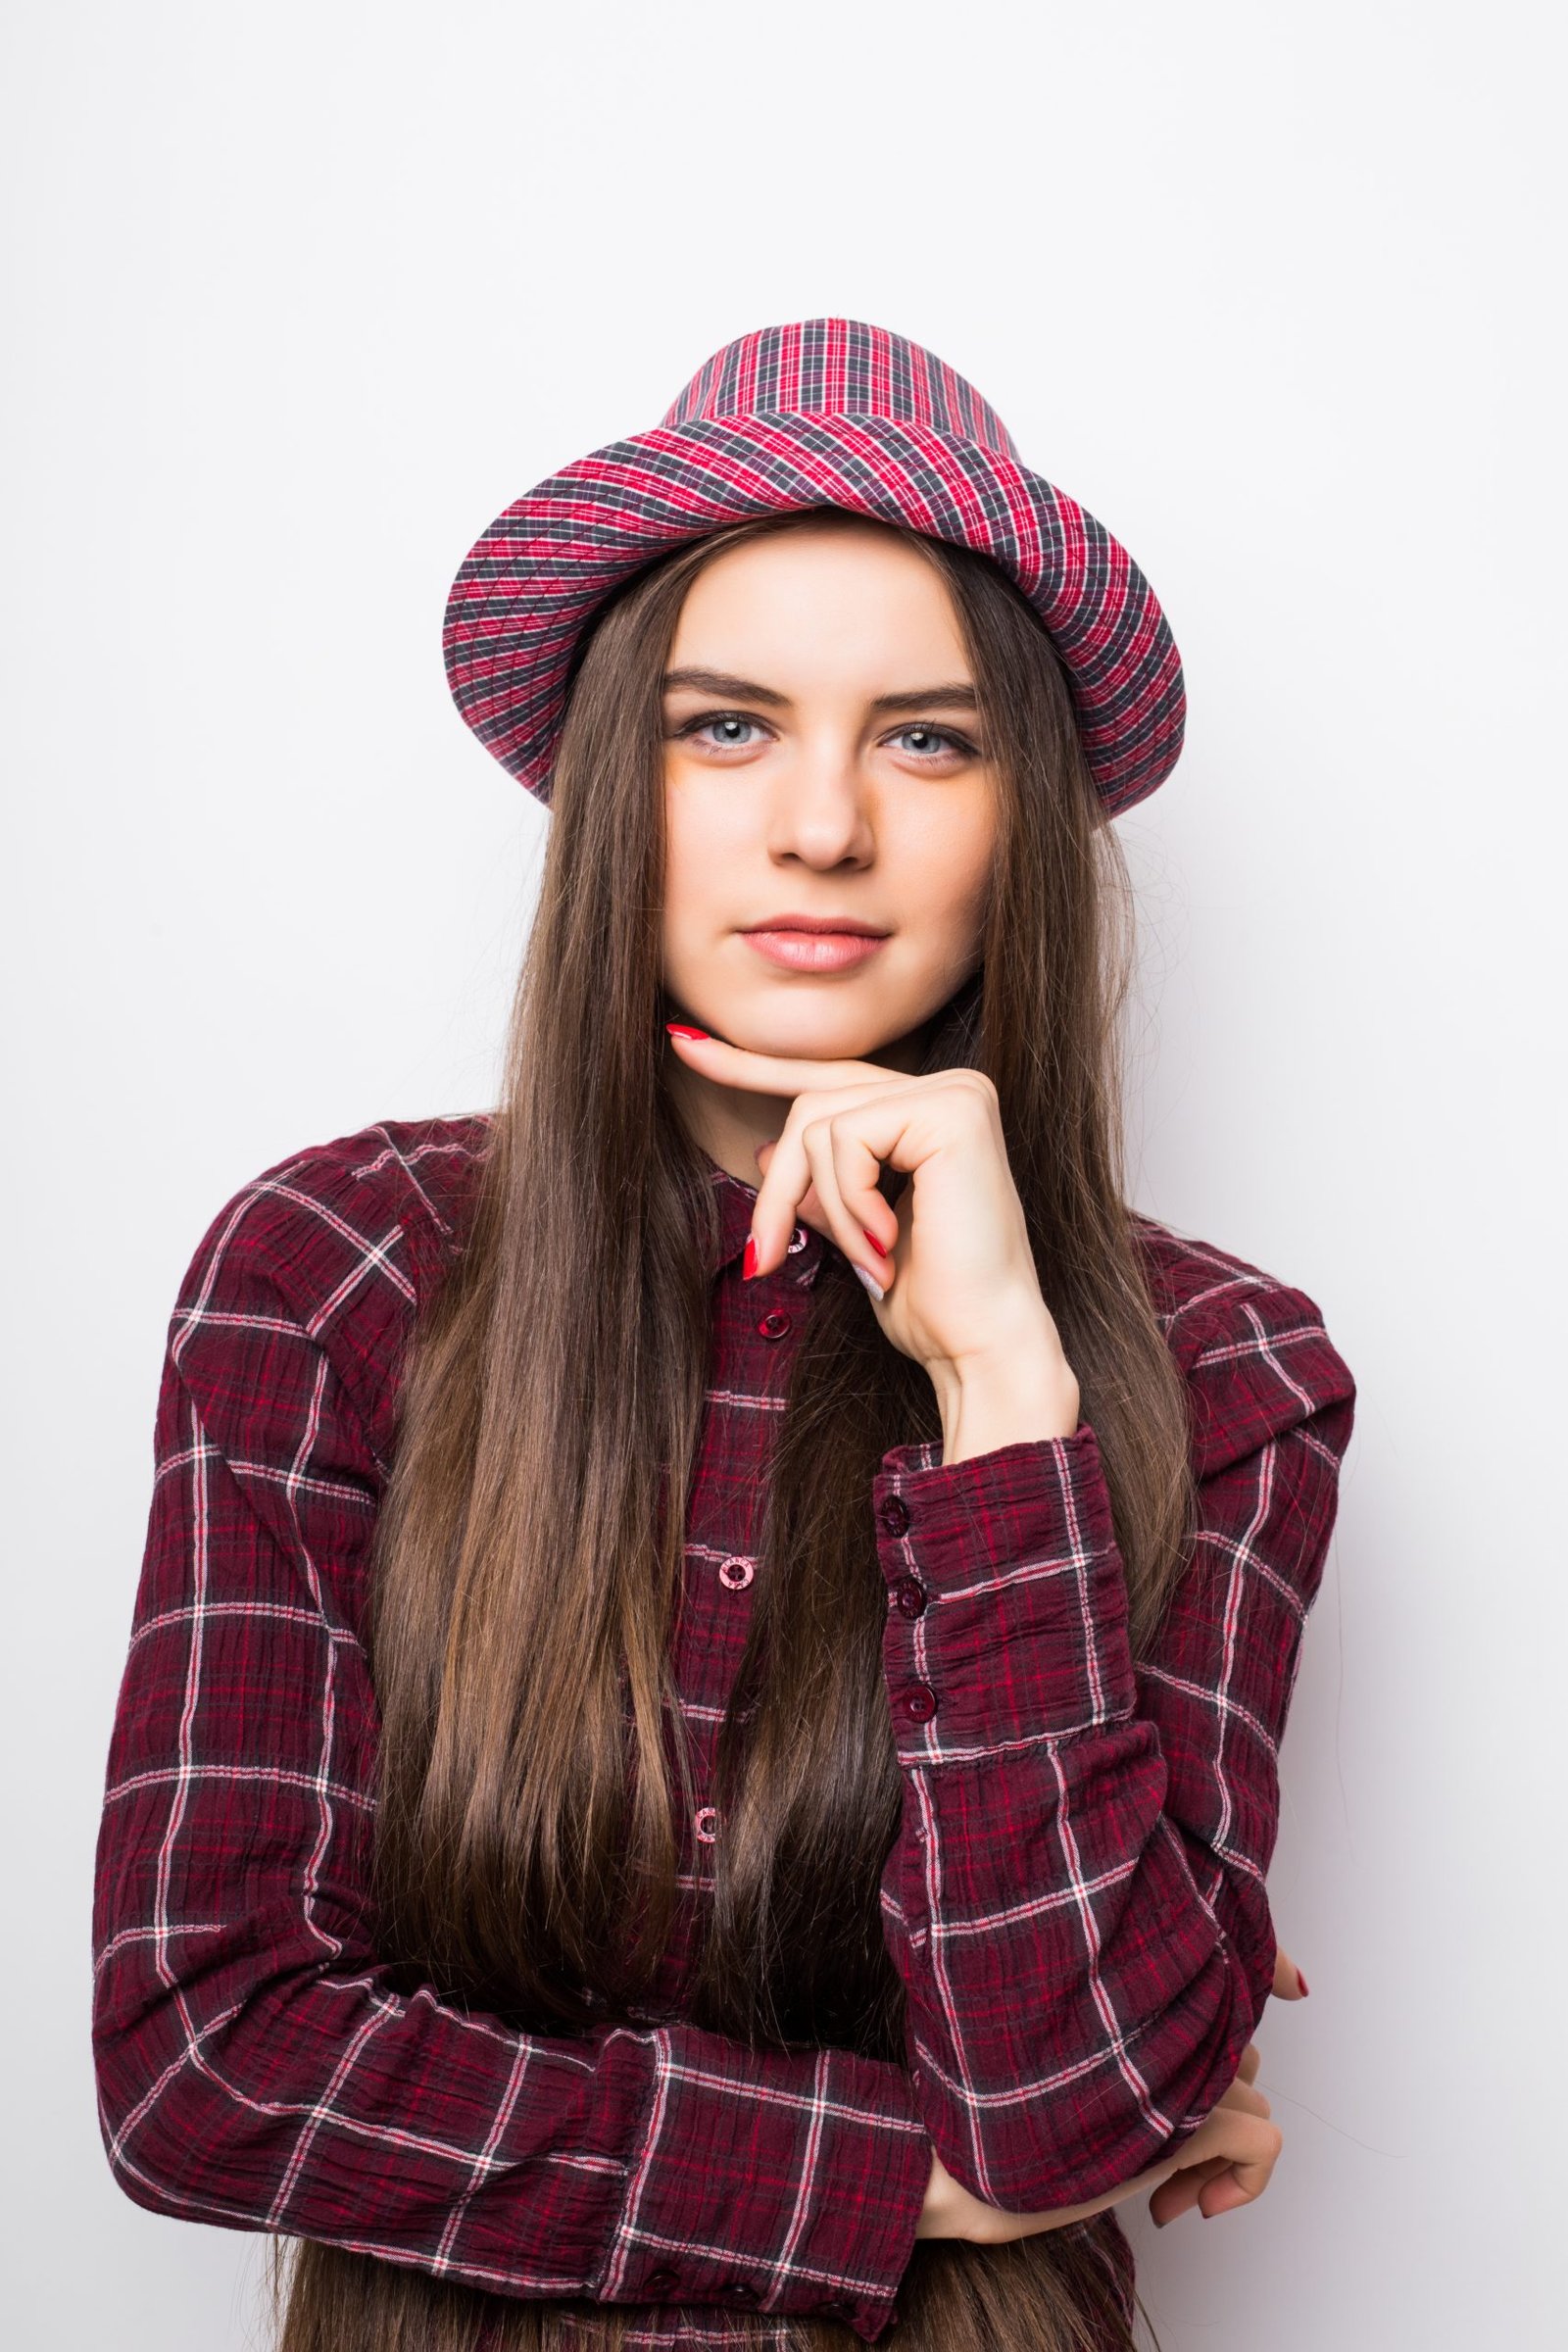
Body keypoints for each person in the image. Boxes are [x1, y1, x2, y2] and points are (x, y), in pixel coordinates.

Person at [91, 318, 1356, 2352]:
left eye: (927, 739)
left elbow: (1069, 2090)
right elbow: (208, 2055)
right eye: (727, 727)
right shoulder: (332, 1270)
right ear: (614, 783)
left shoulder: (1224, 1374)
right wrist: (896, 2175)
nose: (824, 828)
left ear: (1023, 816)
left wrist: (1005, 1401)